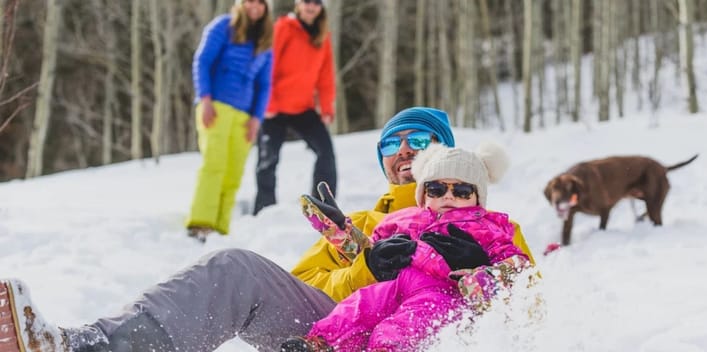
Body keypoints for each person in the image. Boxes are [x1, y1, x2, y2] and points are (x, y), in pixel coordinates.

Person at [0, 107, 533, 352]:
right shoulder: (361, 225)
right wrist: (364, 268)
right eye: (392, 144)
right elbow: (303, 285)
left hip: (433, 338)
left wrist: (485, 276)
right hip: (339, 337)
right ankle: (91, 350)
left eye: (420, 140)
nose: (405, 151)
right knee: (236, 269)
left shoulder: (491, 229)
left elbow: (534, 313)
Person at [281, 142, 532, 352]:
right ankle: (321, 343)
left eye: (462, 190)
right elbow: (371, 251)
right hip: (396, 284)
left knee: (399, 328)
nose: (448, 196)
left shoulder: (489, 227)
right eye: (436, 189)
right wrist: (338, 231)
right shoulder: (406, 218)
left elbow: (518, 266)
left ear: (478, 198)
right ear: (423, 194)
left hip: (440, 293)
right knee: (359, 306)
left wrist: (485, 276)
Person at [185, 0, 274, 242]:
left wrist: (256, 119)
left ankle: (220, 227)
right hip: (216, 107)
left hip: (244, 116)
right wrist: (205, 99)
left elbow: (264, 84)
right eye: (250, 1)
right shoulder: (223, 26)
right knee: (214, 164)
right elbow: (202, 61)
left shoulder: (266, 40)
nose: (255, 6)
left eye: (260, 3)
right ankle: (201, 223)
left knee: (233, 172)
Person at [253, 0, 337, 214]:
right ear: (298, 4)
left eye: (316, 2)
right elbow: (268, 64)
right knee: (268, 160)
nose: (311, 6)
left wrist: (326, 107)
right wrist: (268, 103)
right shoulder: (283, 27)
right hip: (275, 108)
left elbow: (325, 75)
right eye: (307, 1)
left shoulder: (322, 35)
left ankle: (324, 208)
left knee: (325, 152)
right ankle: (264, 210)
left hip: (303, 108)